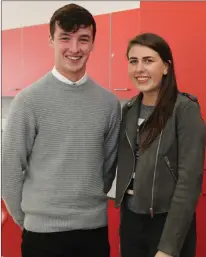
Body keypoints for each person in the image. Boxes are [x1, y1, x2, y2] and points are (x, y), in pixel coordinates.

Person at [2, 3, 121, 257]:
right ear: (51, 40)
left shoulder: (109, 104)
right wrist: (29, 221)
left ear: (93, 43)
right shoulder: (28, 100)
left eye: (83, 39)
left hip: (93, 232)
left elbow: (108, 168)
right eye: (65, 38)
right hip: (41, 237)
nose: (75, 49)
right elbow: (9, 169)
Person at [114, 33, 205, 257]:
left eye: (148, 60)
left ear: (165, 67)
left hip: (166, 222)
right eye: (133, 61)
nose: (139, 69)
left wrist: (168, 248)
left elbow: (189, 182)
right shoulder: (128, 110)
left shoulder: (184, 109)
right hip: (132, 222)